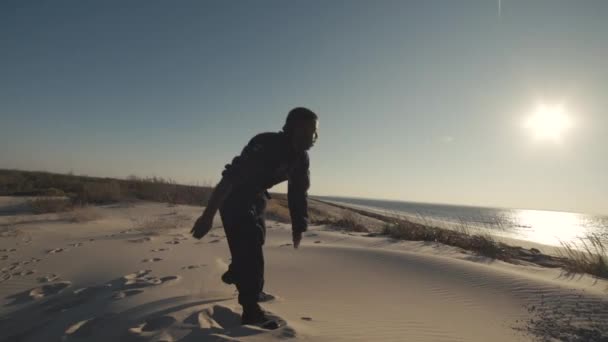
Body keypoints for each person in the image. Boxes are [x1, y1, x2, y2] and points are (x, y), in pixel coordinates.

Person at [190, 107, 318, 328]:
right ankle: (251, 310)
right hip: (233, 198)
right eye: (307, 131)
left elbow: (298, 193)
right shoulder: (265, 144)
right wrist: (207, 216)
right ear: (290, 128)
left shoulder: (301, 158)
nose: (312, 138)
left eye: (314, 133)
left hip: (256, 197)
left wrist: (299, 226)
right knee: (252, 252)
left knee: (256, 239)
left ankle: (237, 270)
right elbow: (229, 179)